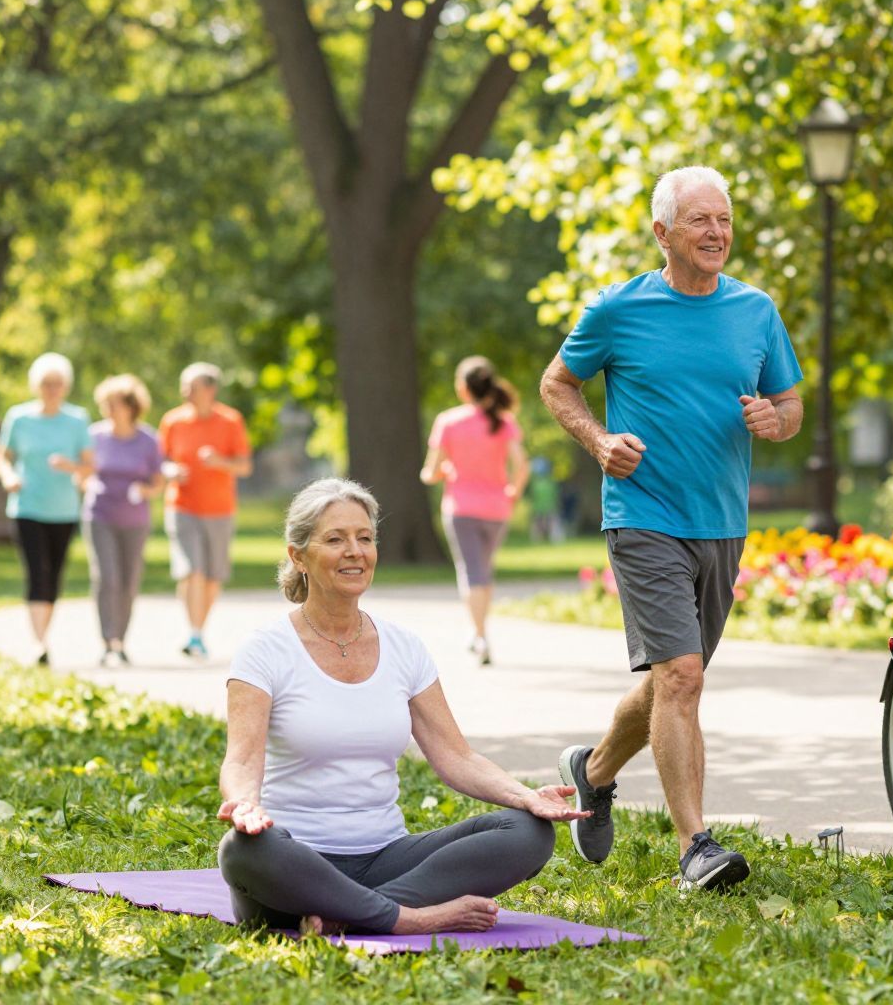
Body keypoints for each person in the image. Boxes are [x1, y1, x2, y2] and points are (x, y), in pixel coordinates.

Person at [539, 165, 803, 890]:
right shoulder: (617, 310)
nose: (716, 233)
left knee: (669, 682)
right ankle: (697, 848)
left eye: (723, 220)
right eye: (700, 221)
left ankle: (591, 774)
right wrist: (597, 441)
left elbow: (790, 407)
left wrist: (773, 421)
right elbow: (557, 383)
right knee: (682, 676)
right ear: (662, 233)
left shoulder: (756, 311)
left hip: (722, 521)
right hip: (643, 512)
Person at [216, 478, 585, 934]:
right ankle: (410, 918)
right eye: (335, 539)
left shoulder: (404, 647)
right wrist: (244, 804)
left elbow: (456, 756)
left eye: (365, 538)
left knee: (528, 833)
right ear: (298, 556)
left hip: (388, 859)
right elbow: (243, 758)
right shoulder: (264, 649)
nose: (355, 551)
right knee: (241, 850)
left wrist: (526, 797)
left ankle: (347, 916)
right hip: (296, 863)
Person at [420, 356, 530, 666]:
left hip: (461, 508)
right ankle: (479, 632)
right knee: (483, 569)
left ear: (462, 388)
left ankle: (479, 636)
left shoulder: (449, 422)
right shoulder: (505, 421)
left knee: (471, 572)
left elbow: (430, 473)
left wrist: (442, 471)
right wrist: (513, 492)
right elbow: (521, 465)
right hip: (497, 509)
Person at [0, 352, 93, 667]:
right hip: (27, 506)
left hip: (63, 510)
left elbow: (89, 467)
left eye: (58, 383)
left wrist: (70, 466)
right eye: (47, 383)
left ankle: (43, 634)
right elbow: (1, 456)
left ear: (66, 386)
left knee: (55, 574)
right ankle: (39, 643)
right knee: (37, 571)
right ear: (37, 385)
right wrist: (8, 476)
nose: (52, 389)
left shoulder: (77, 420)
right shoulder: (19, 417)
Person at [159, 362, 252, 660]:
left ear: (210, 390)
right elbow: (158, 462)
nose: (185, 392)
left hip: (219, 510)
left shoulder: (230, 421)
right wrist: (170, 470)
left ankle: (197, 630)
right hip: (181, 506)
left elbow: (244, 466)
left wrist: (219, 462)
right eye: (184, 386)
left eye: (192, 387)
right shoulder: (172, 421)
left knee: (213, 576)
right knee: (192, 570)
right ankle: (194, 634)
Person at [82, 374, 164, 667]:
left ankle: (121, 640)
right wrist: (85, 482)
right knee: (107, 577)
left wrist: (144, 490)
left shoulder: (149, 440)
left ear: (131, 406)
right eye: (105, 404)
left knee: (129, 580)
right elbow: (82, 473)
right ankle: (107, 640)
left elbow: (158, 482)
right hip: (100, 514)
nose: (109, 409)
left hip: (134, 520)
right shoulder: (94, 436)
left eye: (114, 404)